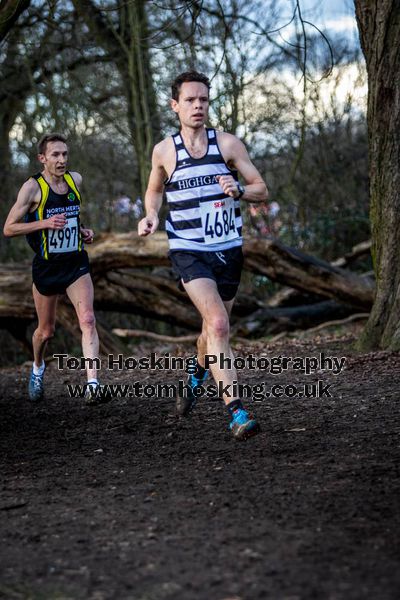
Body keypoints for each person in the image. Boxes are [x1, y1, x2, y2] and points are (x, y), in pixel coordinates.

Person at [138, 71, 269, 440]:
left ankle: (195, 375)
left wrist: (240, 190)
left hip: (227, 249)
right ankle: (236, 412)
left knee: (211, 331)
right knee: (219, 325)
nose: (198, 106)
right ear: (175, 105)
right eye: (191, 100)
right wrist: (150, 215)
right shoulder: (164, 151)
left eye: (204, 100)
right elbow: (154, 191)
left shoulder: (227, 145)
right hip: (188, 250)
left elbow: (262, 188)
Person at [3, 133, 102, 402]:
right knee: (46, 332)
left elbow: (72, 219)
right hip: (47, 267)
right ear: (42, 158)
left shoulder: (75, 180)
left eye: (65, 154)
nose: (61, 160)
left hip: (75, 263)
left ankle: (93, 385)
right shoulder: (32, 188)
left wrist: (82, 232)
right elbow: (9, 228)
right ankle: (37, 367)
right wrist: (43, 224)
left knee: (88, 320)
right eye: (55, 155)